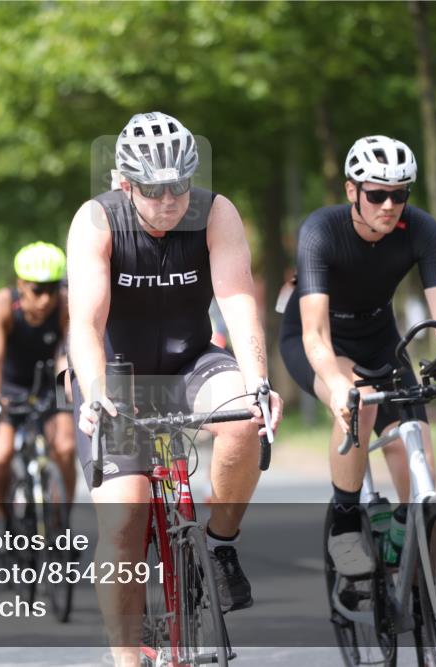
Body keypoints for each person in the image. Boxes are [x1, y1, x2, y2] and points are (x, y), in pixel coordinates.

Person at [67, 111, 282, 665]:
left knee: (244, 417)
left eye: (179, 186)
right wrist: (95, 390)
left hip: (190, 361)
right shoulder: (97, 220)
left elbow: (237, 301)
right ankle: (126, 658)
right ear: (123, 182)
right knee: (123, 516)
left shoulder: (216, 212)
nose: (168, 201)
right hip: (116, 375)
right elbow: (86, 324)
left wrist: (259, 380)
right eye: (154, 189)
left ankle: (220, 544)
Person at [278, 135, 436, 577]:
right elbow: (315, 333)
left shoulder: (421, 229)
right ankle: (345, 524)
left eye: (399, 194)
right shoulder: (321, 231)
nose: (389, 205)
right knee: (359, 404)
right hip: (319, 339)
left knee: (417, 456)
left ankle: (409, 551)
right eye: (377, 194)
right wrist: (338, 381)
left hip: (380, 339)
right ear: (352, 191)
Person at [0, 242, 76, 523]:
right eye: (38, 290)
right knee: (0, 456)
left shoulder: (65, 304)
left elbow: (67, 355)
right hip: (9, 388)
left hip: (49, 385)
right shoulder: (0, 306)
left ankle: (62, 518)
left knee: (66, 447)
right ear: (21, 284)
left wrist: (68, 396)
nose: (46, 299)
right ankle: (2, 515)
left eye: (52, 288)